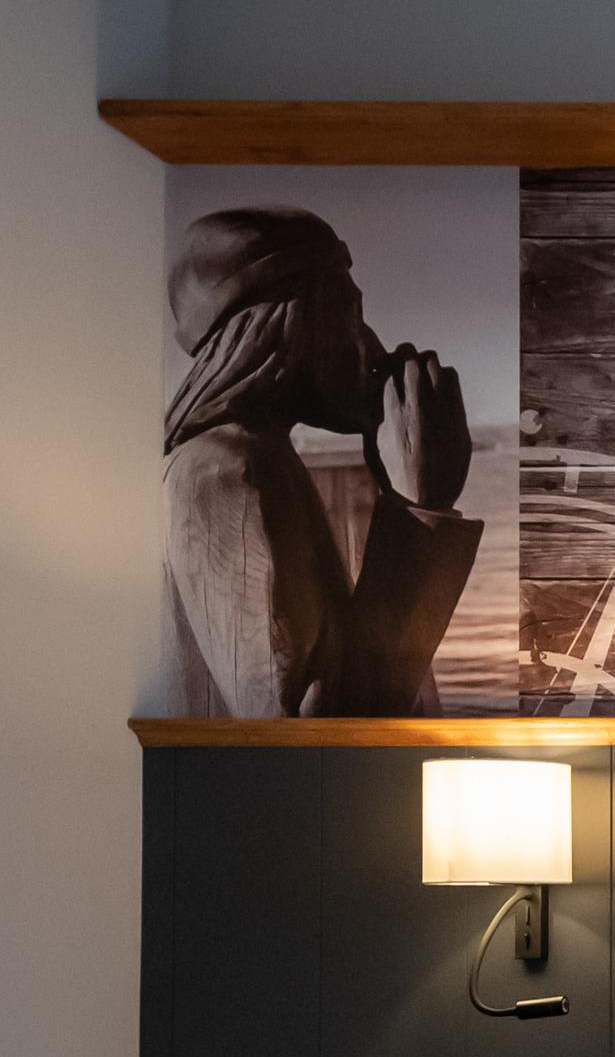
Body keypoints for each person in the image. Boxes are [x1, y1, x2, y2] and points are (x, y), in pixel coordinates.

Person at [162, 206, 480, 716]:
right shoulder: (227, 471)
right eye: (350, 314)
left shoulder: (251, 461)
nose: (372, 346)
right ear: (288, 322)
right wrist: (420, 509)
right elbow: (306, 735)